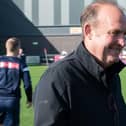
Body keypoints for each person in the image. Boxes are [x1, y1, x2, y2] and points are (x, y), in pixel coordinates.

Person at [33, 0, 126, 126]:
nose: (122, 42)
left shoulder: (112, 75)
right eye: (114, 33)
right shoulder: (58, 79)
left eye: (124, 34)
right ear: (89, 31)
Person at [0, 37, 32, 126]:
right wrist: (29, 99)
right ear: (18, 48)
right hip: (12, 100)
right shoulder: (21, 63)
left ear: (6, 47)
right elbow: (27, 84)